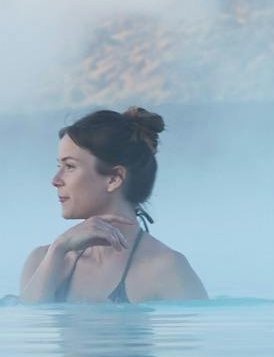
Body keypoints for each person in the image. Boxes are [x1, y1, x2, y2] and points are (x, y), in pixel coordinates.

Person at [20, 106, 205, 302]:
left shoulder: (166, 270)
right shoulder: (43, 261)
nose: (55, 180)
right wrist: (58, 249)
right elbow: (29, 325)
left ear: (114, 179)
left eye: (70, 166)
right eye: (59, 166)